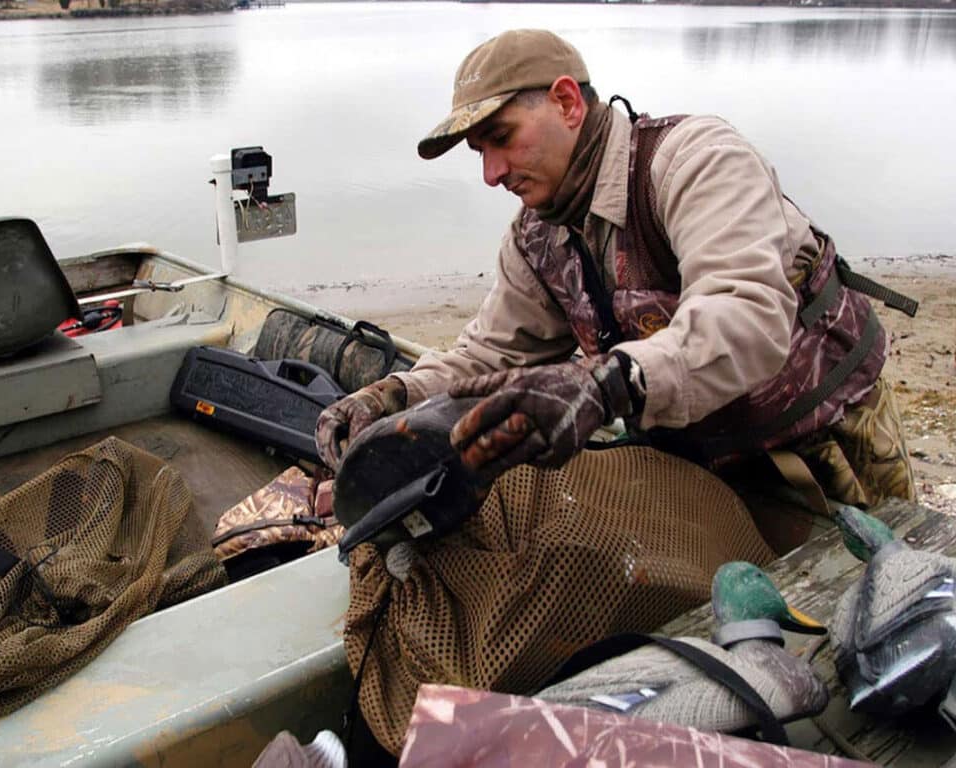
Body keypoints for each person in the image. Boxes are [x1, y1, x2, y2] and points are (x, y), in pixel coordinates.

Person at [317, 27, 916, 517]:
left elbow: (748, 317)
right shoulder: (536, 236)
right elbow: (489, 355)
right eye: (480, 152)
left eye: (501, 139)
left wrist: (606, 384)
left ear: (567, 102)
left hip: (831, 449)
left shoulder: (694, 160)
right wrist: (395, 395)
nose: (492, 173)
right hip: (704, 474)